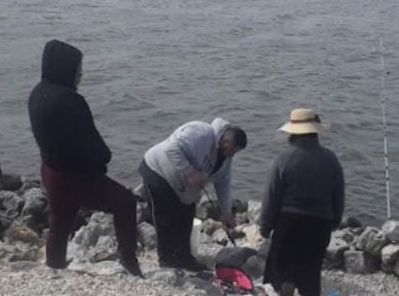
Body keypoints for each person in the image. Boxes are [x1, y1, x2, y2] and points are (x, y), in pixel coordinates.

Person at [28, 39, 142, 277]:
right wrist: (104, 158)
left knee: (60, 220)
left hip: (51, 171)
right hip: (75, 176)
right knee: (125, 203)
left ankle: (55, 266)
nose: (80, 74)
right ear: (65, 68)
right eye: (77, 68)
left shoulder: (37, 93)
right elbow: (90, 141)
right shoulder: (70, 101)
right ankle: (129, 263)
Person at [260, 108, 345, 296]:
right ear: (315, 133)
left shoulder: (284, 158)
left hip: (289, 221)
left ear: (294, 134)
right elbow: (339, 194)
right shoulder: (331, 159)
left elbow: (271, 195)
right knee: (311, 269)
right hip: (320, 222)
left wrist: (265, 225)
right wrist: (335, 220)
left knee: (286, 269)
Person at [139, 118, 247, 271]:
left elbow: (223, 183)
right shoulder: (201, 133)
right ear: (227, 141)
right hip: (157, 171)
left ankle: (184, 259)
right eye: (234, 150)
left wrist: (226, 212)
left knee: (186, 217)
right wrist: (190, 172)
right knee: (165, 218)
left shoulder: (226, 159)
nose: (233, 155)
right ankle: (167, 261)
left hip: (182, 187)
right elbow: (171, 149)